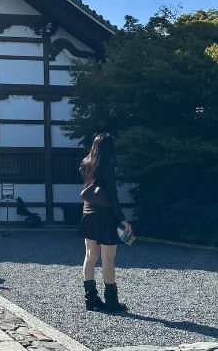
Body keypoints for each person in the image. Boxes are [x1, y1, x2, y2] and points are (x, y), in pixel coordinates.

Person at [79, 133, 131, 312]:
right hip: (106, 215)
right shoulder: (107, 166)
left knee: (89, 256)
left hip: (88, 213)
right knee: (108, 259)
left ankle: (91, 298)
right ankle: (111, 301)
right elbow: (112, 196)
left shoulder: (86, 163)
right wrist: (122, 219)